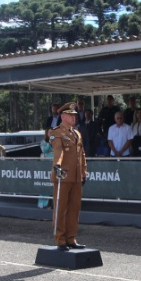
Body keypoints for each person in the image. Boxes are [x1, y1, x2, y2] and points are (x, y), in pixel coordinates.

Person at [51, 103, 88, 251]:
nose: (74, 117)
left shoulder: (77, 133)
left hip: (76, 177)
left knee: (74, 208)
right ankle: (60, 239)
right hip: (63, 175)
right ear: (63, 116)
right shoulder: (57, 132)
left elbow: (82, 155)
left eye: (75, 115)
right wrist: (57, 165)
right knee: (61, 209)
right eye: (71, 115)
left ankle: (71, 238)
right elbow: (58, 150)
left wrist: (84, 172)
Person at [38, 129, 54, 208]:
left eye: (52, 132)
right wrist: (50, 143)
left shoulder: (57, 141)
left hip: (54, 166)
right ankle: (43, 204)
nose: (51, 134)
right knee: (45, 185)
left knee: (53, 185)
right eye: (49, 132)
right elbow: (44, 150)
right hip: (45, 167)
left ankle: (53, 204)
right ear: (47, 133)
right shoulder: (43, 142)